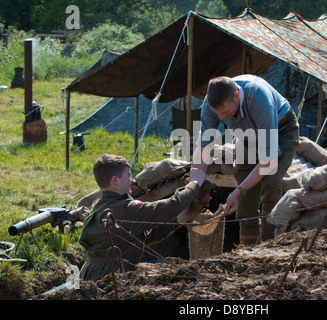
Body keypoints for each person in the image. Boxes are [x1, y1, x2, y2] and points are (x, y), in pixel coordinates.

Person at [193, 75, 300, 245]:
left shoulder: (260, 100)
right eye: (217, 114)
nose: (220, 118)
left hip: (281, 129)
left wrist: (238, 191)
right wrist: (192, 190)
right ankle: (247, 250)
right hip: (246, 136)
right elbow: (204, 149)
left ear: (237, 96)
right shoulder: (210, 104)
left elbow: (268, 162)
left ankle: (268, 247)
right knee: (245, 192)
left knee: (271, 180)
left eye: (226, 113)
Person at [78, 154, 206, 281]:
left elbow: (141, 239)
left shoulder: (100, 205)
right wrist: (194, 183)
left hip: (92, 273)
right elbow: (171, 206)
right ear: (115, 180)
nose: (132, 180)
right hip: (108, 277)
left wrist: (178, 220)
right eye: (128, 175)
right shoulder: (125, 209)